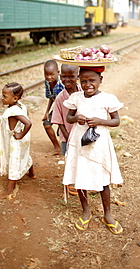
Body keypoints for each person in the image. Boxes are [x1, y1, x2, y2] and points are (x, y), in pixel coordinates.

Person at [63, 66, 123, 234]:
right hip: (79, 141)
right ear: (79, 82)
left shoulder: (108, 98)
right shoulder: (76, 97)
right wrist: (76, 118)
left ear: (100, 80)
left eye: (92, 81)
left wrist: (100, 121)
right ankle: (86, 211)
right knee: (80, 174)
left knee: (103, 178)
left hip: (99, 143)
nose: (87, 84)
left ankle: (108, 214)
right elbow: (69, 117)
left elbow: (116, 121)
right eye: (83, 81)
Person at [0, 82, 35, 199]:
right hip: (22, 137)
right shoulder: (20, 106)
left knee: (14, 161)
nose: (2, 98)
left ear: (15, 98)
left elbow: (28, 123)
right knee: (24, 154)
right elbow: (27, 117)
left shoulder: (12, 111)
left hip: (16, 139)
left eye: (5, 96)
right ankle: (31, 172)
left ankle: (10, 187)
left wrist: (20, 134)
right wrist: (23, 134)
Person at [51, 64, 81, 196]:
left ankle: (82, 180)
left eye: (71, 77)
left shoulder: (83, 93)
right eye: (63, 76)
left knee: (82, 157)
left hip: (82, 134)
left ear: (78, 77)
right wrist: (68, 137)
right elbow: (59, 121)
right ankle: (71, 183)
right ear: (59, 76)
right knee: (70, 159)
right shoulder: (60, 98)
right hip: (67, 135)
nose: (67, 80)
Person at [42, 59, 64, 156]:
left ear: (58, 73)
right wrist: (47, 112)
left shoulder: (62, 84)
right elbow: (51, 98)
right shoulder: (47, 83)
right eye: (46, 74)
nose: (49, 77)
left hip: (67, 109)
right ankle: (57, 147)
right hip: (57, 108)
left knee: (63, 130)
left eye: (52, 74)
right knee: (46, 124)